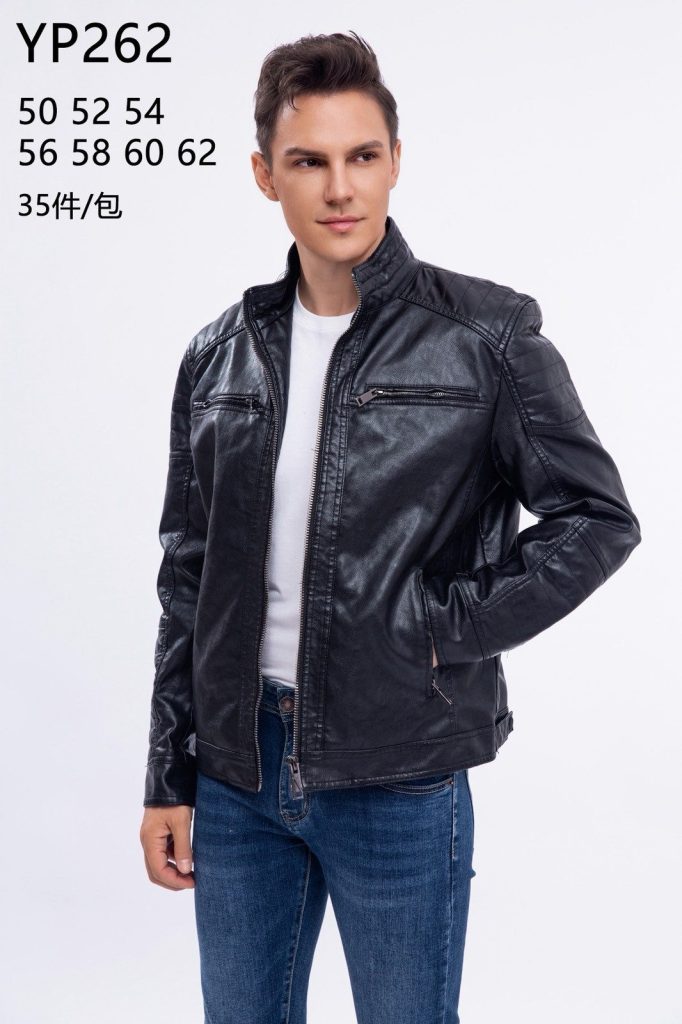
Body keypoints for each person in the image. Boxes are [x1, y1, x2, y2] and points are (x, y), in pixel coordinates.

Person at [139, 30, 641, 1023]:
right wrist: (169, 772)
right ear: (264, 175)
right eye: (308, 161)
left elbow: (595, 518)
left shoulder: (485, 337)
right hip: (236, 774)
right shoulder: (218, 357)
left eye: (362, 156)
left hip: (399, 769)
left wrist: (435, 627)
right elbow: (186, 577)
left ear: (395, 162)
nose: (340, 188)